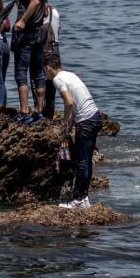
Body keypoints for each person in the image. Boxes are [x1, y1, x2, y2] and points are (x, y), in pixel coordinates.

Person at [46, 55, 102, 209]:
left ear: (48, 68)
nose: (46, 75)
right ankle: (84, 198)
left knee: (81, 161)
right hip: (95, 117)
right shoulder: (70, 75)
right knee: (86, 160)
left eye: (45, 71)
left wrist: (64, 123)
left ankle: (78, 199)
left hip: (86, 121)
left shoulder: (57, 79)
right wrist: (70, 124)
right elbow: (76, 104)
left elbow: (69, 102)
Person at [11, 0, 48, 118]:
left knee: (21, 72)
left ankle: (24, 110)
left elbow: (34, 2)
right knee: (38, 73)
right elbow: (45, 10)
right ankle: (40, 110)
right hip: (39, 35)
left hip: (26, 35)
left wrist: (22, 21)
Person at [41, 1, 61, 118]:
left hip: (46, 47)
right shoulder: (55, 11)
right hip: (56, 47)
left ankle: (43, 111)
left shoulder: (42, 13)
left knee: (43, 80)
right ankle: (50, 112)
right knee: (53, 82)